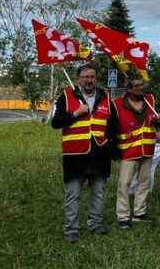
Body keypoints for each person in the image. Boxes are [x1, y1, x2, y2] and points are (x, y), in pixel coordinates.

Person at [51, 63, 116, 243]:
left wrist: (110, 146)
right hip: (75, 155)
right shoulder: (66, 96)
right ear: (79, 79)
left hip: (100, 155)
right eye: (85, 77)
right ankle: (71, 229)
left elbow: (112, 125)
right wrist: (75, 113)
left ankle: (95, 223)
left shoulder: (105, 97)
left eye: (92, 77)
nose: (89, 80)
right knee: (73, 194)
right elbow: (55, 123)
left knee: (99, 192)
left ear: (96, 79)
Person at [114, 73, 160, 229]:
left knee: (144, 182)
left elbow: (154, 122)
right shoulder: (117, 104)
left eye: (142, 85)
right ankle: (122, 216)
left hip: (147, 148)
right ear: (128, 88)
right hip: (128, 150)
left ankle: (139, 213)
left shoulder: (149, 100)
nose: (140, 88)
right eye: (136, 86)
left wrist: (159, 119)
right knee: (124, 183)